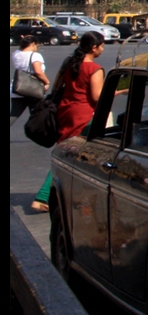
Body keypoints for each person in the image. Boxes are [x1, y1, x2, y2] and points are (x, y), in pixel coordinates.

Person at [32, 31, 106, 212]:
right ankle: (43, 196)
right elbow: (97, 97)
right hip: (83, 114)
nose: (103, 49)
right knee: (70, 153)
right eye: (102, 46)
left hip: (65, 110)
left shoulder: (69, 64)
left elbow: (57, 87)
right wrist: (119, 91)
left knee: (69, 150)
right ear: (94, 48)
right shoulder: (94, 69)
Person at [11, 36, 50, 126]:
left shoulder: (16, 54)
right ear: (32, 44)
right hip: (32, 89)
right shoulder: (35, 56)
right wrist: (47, 82)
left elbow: (21, 49)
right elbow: (38, 71)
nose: (37, 48)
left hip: (18, 87)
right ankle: (38, 132)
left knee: (13, 114)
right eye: (37, 45)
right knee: (37, 114)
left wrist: (25, 40)